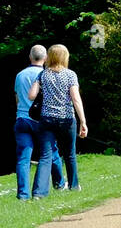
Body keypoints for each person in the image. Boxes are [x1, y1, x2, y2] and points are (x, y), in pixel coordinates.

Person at [28, 44, 88, 195]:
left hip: (47, 119)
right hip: (66, 119)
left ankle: (39, 193)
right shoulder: (70, 74)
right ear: (65, 57)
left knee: (45, 156)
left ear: (49, 57)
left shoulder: (43, 75)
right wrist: (83, 121)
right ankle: (74, 186)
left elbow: (31, 95)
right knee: (69, 154)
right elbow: (75, 99)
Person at [13, 45, 66, 200]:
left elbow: (17, 99)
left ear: (30, 57)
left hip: (22, 119)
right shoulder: (47, 75)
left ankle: (23, 195)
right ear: (46, 58)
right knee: (51, 152)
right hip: (41, 120)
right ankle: (60, 183)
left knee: (24, 158)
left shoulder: (20, 75)